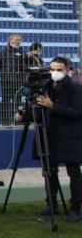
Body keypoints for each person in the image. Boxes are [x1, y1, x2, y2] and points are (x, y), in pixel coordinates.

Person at [16, 57, 82, 222]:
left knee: (74, 173)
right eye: (52, 69)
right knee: (49, 172)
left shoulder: (76, 88)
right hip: (48, 134)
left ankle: (75, 208)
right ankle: (51, 204)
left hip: (70, 137)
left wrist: (53, 106)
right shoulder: (44, 87)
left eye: (59, 70)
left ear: (67, 71)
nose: (55, 73)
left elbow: (77, 112)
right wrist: (24, 116)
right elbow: (39, 110)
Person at [0, 33, 29, 125]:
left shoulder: (22, 51)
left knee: (17, 102)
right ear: (10, 39)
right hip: (7, 80)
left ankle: (18, 121)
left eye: (20, 40)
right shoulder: (3, 50)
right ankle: (5, 122)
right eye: (17, 40)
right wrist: (3, 75)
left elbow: (26, 65)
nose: (19, 41)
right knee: (6, 101)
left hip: (18, 81)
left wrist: (23, 77)